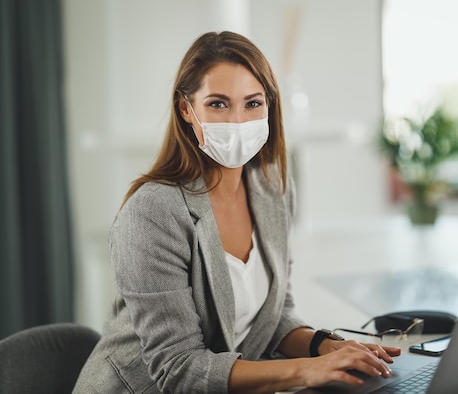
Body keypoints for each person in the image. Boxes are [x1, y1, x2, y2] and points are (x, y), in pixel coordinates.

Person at [72, 31, 400, 394]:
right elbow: (177, 368)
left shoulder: (273, 186)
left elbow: (272, 318)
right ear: (186, 109)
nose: (238, 121)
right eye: (217, 104)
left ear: (270, 107)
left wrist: (327, 347)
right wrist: (308, 370)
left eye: (253, 103)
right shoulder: (152, 213)